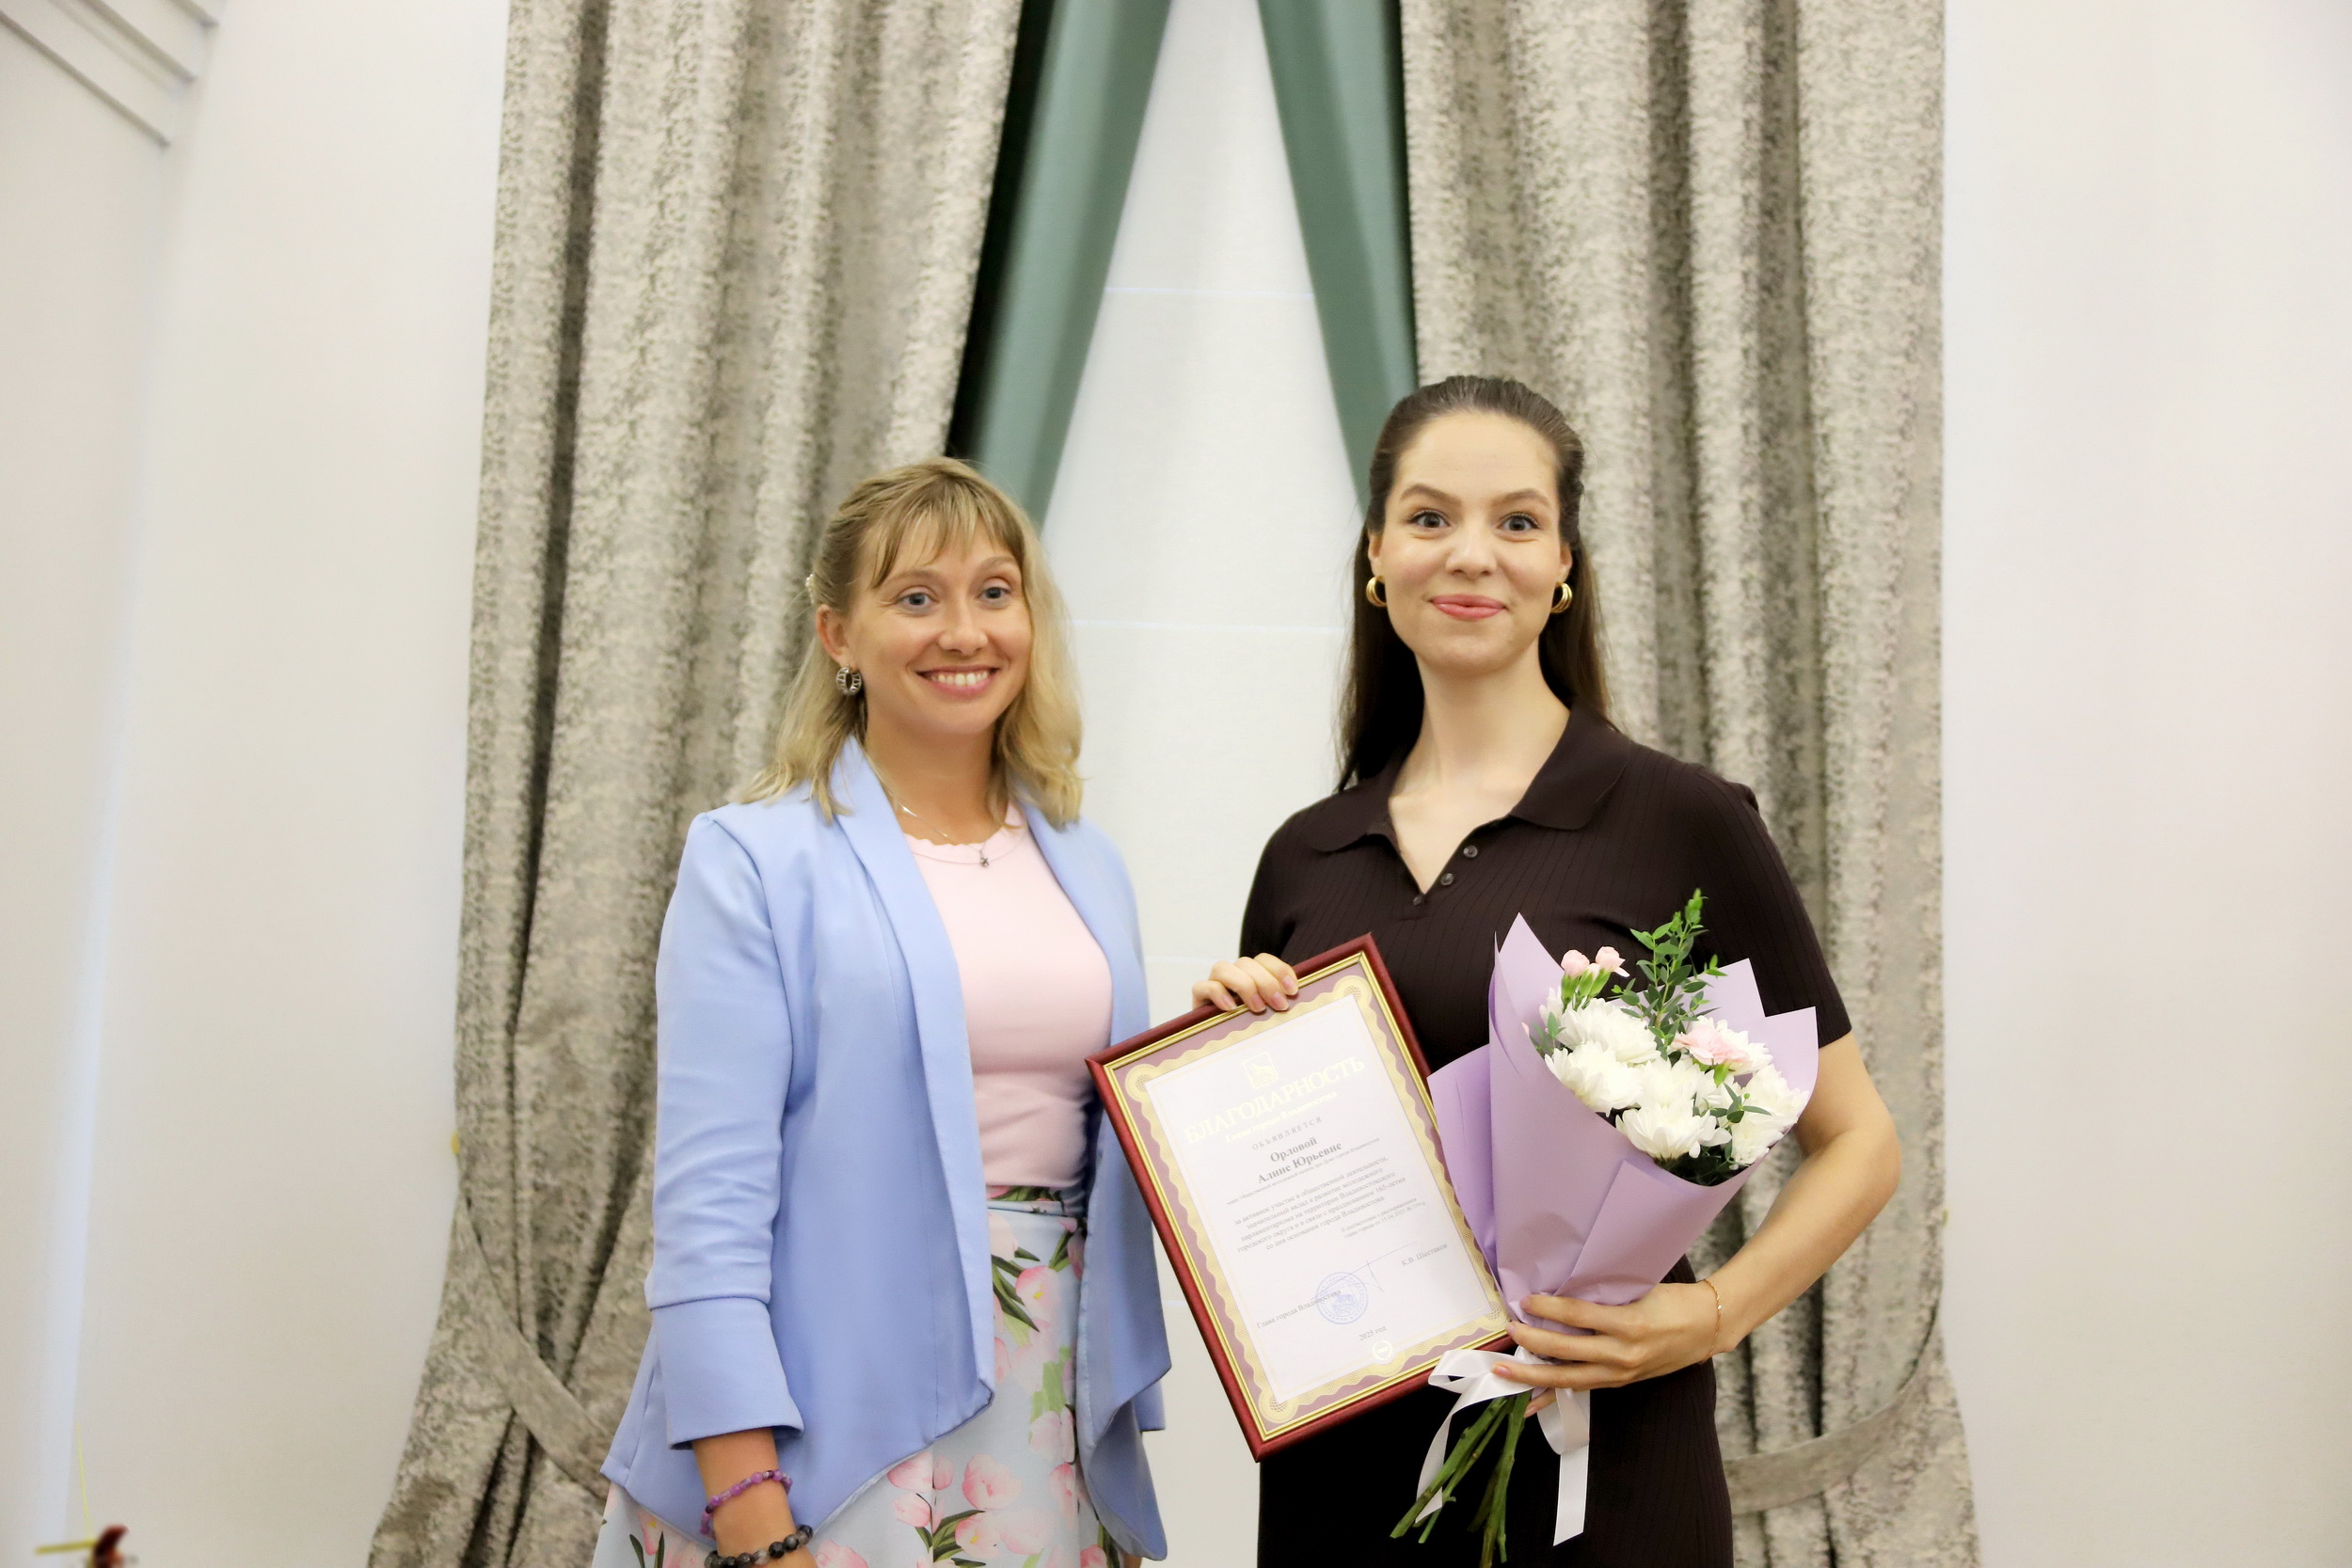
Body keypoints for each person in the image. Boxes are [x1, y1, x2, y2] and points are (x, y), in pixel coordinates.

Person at [1196, 378, 1901, 1567]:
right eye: (1429, 517)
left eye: (1516, 521)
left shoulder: (1680, 817)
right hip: (1343, 1454)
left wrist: (1710, 1314)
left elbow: (1860, 1140)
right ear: (1376, 557)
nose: (1472, 553)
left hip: (1599, 1446)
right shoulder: (1305, 852)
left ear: (1563, 564)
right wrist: (1221, 1053)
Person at [594, 459, 1168, 1568]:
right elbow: (710, 1207)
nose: (964, 630)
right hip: (818, 1422)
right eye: (916, 596)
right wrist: (749, 1506)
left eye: (994, 591)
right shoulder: (751, 856)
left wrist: (1237, 1033)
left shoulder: (1088, 861)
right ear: (838, 635)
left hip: (1043, 1408)